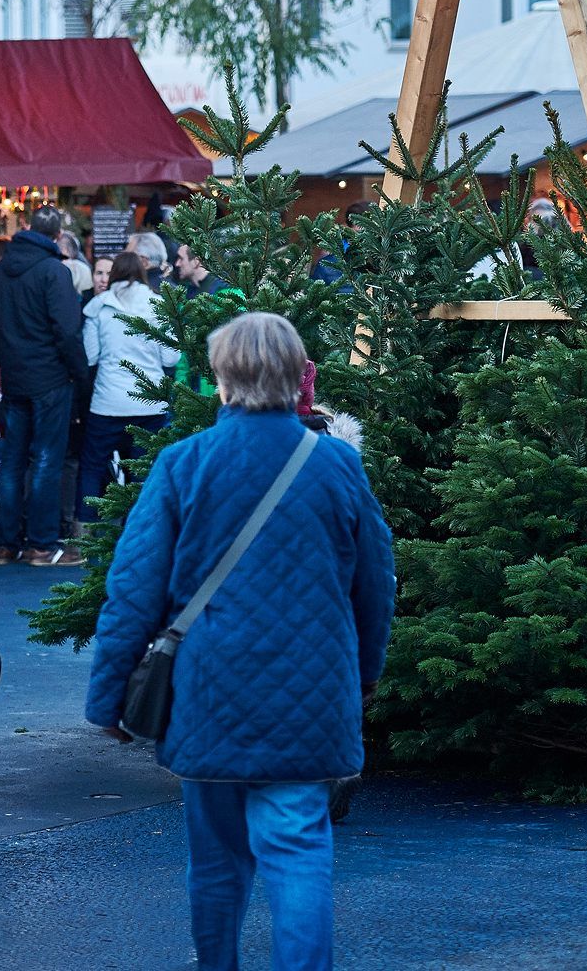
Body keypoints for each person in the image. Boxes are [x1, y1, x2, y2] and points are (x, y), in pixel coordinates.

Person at [85, 314, 394, 971]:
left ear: (222, 377)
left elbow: (134, 589)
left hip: (209, 694)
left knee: (217, 864)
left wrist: (108, 698)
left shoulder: (184, 463)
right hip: (313, 699)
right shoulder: (337, 464)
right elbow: (376, 581)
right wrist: (365, 673)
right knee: (299, 856)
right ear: (298, 376)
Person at [0, 205, 89, 567]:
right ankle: (41, 545)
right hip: (51, 379)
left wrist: (9, 357)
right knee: (45, 460)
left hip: (16, 378)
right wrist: (79, 374)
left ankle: (6, 543)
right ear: (57, 236)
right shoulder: (54, 272)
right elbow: (67, 331)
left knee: (13, 460)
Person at [77, 251, 179, 528]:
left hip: (107, 402)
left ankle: (84, 535)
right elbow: (171, 358)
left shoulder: (99, 306)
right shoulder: (158, 305)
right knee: (144, 470)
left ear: (113, 275)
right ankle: (140, 530)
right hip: (149, 402)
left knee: (92, 466)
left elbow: (90, 356)